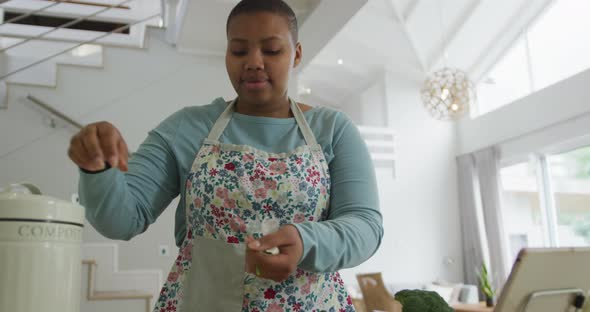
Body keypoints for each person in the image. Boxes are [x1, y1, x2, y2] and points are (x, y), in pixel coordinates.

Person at [68, 0, 383, 310]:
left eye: (272, 50)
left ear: (296, 54)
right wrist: (98, 169)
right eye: (239, 50)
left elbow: (366, 225)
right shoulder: (187, 128)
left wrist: (307, 242)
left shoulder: (333, 129)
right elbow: (123, 220)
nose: (254, 62)